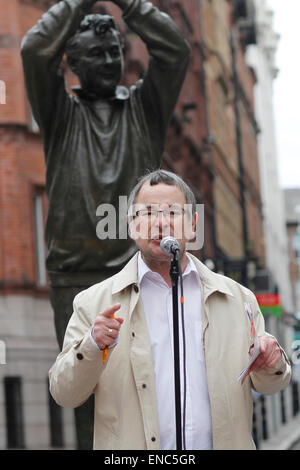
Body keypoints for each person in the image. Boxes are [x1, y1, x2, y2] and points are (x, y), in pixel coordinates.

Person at [21, 0, 190, 448]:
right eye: (97, 54)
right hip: (75, 279)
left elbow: (174, 50)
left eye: (115, 51)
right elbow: (35, 50)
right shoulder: (59, 113)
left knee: (155, 386)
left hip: (144, 271)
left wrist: (132, 6)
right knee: (87, 395)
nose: (111, 61)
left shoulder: (145, 108)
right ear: (72, 63)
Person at [49, 169, 291, 450]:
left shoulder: (238, 299)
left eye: (173, 212)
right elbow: (64, 394)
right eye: (148, 213)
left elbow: (270, 385)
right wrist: (91, 346)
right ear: (131, 225)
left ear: (192, 225)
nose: (160, 223)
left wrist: (273, 364)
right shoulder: (94, 303)